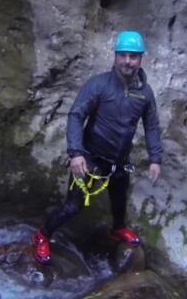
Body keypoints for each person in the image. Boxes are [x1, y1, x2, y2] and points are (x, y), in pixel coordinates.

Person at [32, 31, 164, 264]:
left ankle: (118, 228)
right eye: (123, 55)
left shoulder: (145, 93)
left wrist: (155, 158)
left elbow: (151, 126)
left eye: (133, 56)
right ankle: (42, 236)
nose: (127, 61)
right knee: (73, 206)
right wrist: (76, 153)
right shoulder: (99, 85)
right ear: (115, 57)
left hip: (119, 160)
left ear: (141, 59)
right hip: (90, 157)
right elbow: (76, 115)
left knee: (119, 198)